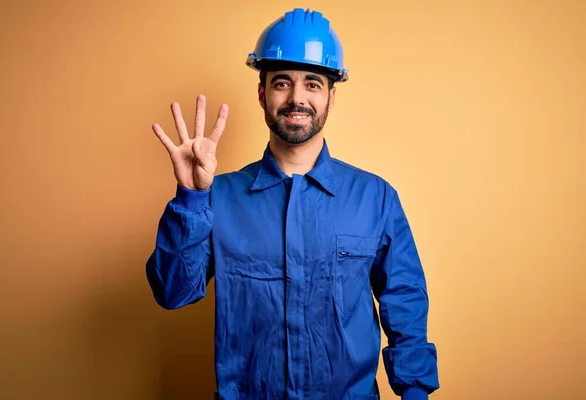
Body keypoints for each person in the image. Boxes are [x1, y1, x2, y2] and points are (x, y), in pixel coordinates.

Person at [146, 8, 439, 400]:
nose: (297, 98)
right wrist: (192, 196)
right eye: (282, 82)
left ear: (331, 97)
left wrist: (415, 391)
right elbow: (173, 292)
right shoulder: (218, 197)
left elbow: (404, 301)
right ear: (262, 92)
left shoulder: (376, 198)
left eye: (313, 84)